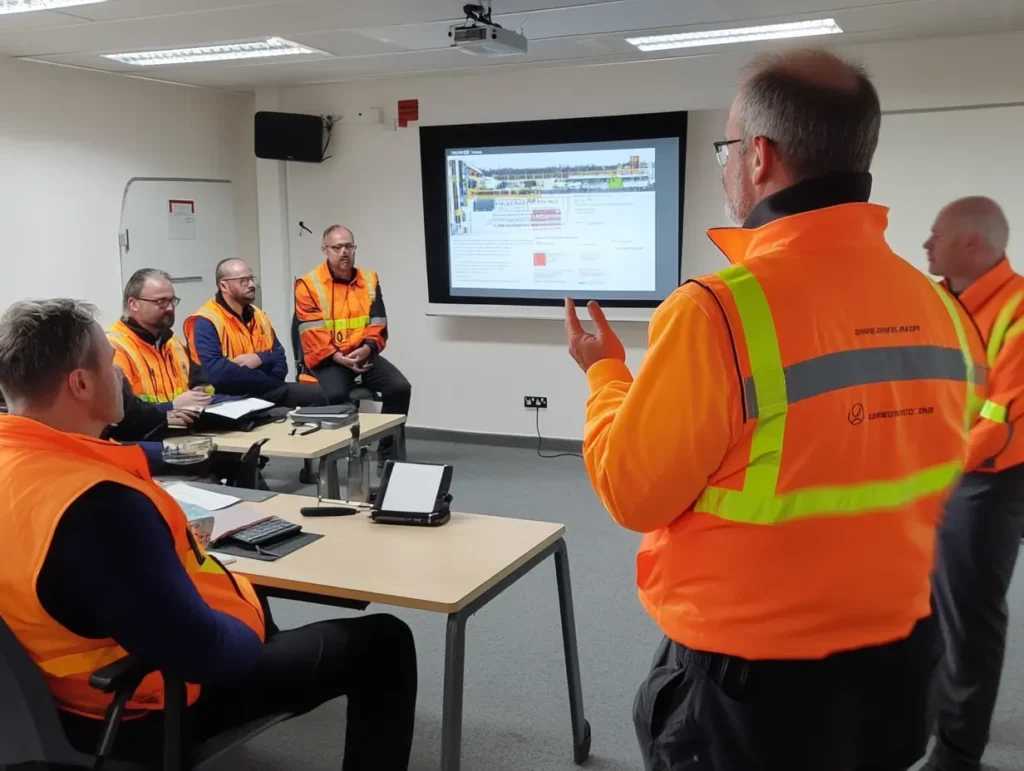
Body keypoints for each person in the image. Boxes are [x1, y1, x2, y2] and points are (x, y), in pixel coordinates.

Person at [564, 48, 986, 771]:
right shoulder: (942, 308)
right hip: (900, 669)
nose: (728, 162)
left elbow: (632, 491)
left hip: (754, 694)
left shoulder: (719, 311)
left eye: (728, 146)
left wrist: (606, 373)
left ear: (759, 157)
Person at [0, 298, 417, 770]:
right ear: (80, 383)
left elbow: (97, 456)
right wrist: (252, 627)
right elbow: (205, 656)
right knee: (385, 640)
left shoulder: (22, 458)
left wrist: (169, 458)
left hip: (34, 703)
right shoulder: (100, 507)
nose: (120, 375)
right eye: (111, 363)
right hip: (131, 711)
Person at [922, 196, 1024, 771]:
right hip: (940, 476)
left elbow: (997, 423)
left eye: (936, 235)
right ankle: (936, 711)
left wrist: (920, 471)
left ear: (971, 244)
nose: (926, 244)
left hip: (986, 485)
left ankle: (958, 755)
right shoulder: (944, 302)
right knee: (929, 606)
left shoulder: (1019, 311)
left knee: (971, 618)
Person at [295, 225, 411, 459]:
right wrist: (339, 357)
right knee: (336, 396)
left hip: (362, 354)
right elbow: (312, 333)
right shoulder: (308, 285)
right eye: (337, 247)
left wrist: (367, 348)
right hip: (328, 358)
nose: (344, 252)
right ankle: (345, 454)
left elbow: (378, 322)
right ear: (325, 250)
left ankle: (388, 455)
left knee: (400, 388)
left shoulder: (369, 280)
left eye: (349, 246)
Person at [184, 258, 326, 407]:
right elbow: (220, 375)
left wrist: (260, 358)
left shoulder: (258, 315)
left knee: (322, 395)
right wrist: (267, 375)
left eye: (251, 279)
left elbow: (280, 361)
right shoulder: (206, 321)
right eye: (243, 281)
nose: (251, 285)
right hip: (227, 398)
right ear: (223, 286)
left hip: (265, 390)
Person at [109, 268, 211, 423]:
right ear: (134, 304)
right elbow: (123, 412)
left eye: (172, 300)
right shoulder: (115, 347)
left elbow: (201, 382)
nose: (170, 308)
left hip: (184, 428)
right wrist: (172, 406)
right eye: (161, 302)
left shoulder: (171, 341)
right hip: (143, 438)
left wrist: (201, 394)